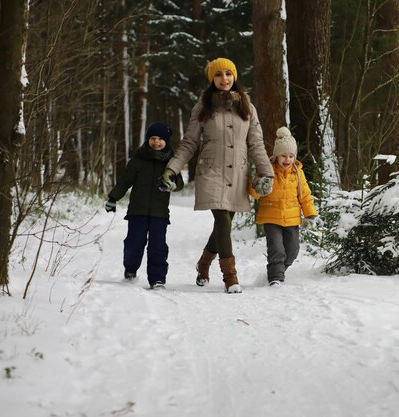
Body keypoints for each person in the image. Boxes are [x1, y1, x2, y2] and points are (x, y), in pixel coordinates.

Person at [159, 57, 274, 294]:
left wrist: (266, 172)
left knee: (224, 225)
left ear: (235, 77)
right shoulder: (203, 106)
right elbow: (190, 142)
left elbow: (256, 144)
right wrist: (172, 168)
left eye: (228, 74)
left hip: (238, 172)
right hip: (211, 171)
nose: (224, 79)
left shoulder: (247, 108)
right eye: (219, 74)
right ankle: (230, 277)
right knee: (222, 219)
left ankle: (204, 263)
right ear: (212, 79)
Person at [105, 122, 183, 290]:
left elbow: (180, 182)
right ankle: (130, 268)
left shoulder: (171, 161)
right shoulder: (138, 159)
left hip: (160, 213)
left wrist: (173, 184)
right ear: (148, 139)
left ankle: (157, 278)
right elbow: (126, 180)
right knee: (134, 244)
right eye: (153, 138)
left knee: (158, 247)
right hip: (137, 211)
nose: (156, 142)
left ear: (167, 141)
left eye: (161, 139)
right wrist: (113, 197)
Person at [249, 126, 318, 286]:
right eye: (283, 156)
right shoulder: (267, 170)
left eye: (291, 156)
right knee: (277, 250)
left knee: (293, 251)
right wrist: (258, 185)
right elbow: (255, 194)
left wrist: (310, 214)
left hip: (292, 219)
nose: (287, 160)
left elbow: (305, 195)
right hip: (271, 218)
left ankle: (279, 270)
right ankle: (276, 277)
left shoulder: (298, 173)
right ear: (276, 156)